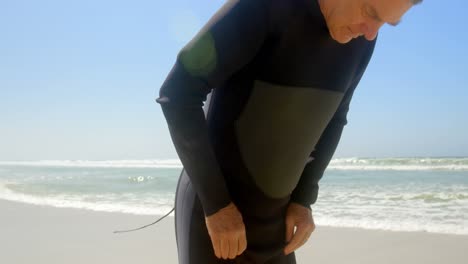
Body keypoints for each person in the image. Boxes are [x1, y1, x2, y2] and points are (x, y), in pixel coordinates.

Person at [156, 0, 422, 263]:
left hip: (275, 225)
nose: (371, 32)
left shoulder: (363, 41)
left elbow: (335, 118)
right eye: (370, 12)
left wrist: (304, 199)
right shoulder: (267, 7)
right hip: (217, 218)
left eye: (385, 24)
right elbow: (178, 93)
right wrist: (216, 205)